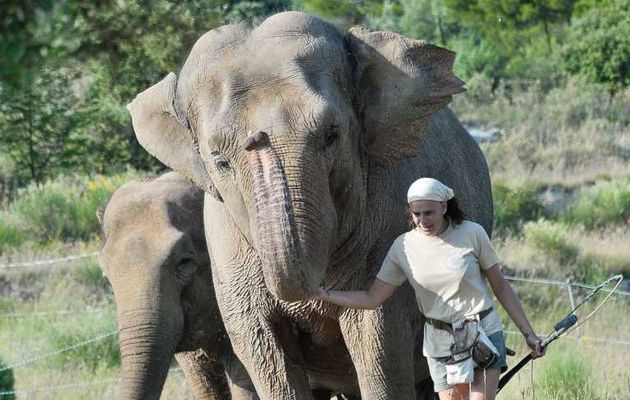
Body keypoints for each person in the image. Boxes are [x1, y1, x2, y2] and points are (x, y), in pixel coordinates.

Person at [310, 177, 545, 400]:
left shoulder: (472, 233)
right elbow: (373, 298)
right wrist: (325, 294)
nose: (423, 220)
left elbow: (501, 288)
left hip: (483, 332)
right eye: (417, 213)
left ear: (444, 206)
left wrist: (529, 335)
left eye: (429, 212)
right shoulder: (403, 247)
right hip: (440, 341)